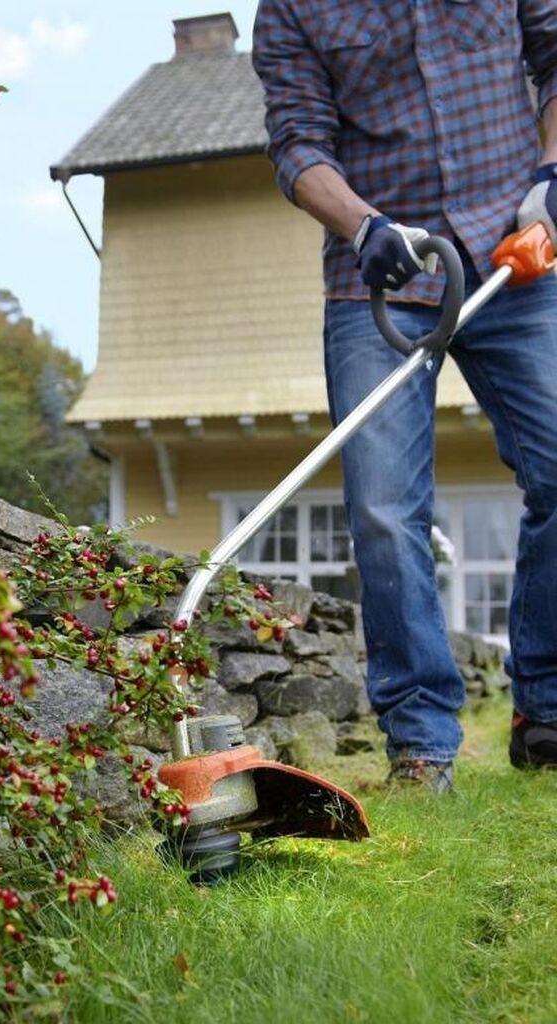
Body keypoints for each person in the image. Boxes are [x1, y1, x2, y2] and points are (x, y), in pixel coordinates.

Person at [251, 0, 557, 790]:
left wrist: (554, 173)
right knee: (385, 512)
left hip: (512, 256)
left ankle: (546, 707)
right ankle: (423, 745)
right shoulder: (292, 7)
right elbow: (297, 143)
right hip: (382, 281)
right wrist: (362, 226)